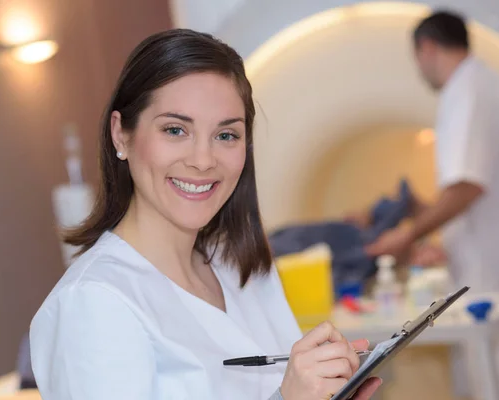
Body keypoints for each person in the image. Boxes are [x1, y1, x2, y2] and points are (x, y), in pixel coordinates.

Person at [28, 29, 381, 400]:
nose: (202, 160)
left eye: (225, 135)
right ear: (121, 135)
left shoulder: (240, 265)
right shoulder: (92, 303)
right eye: (175, 129)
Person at [367, 10, 499, 399]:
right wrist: (422, 218)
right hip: (496, 266)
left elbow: (468, 186)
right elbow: (472, 195)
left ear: (426, 48)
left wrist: (407, 234)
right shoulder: (476, 85)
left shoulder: (469, 89)